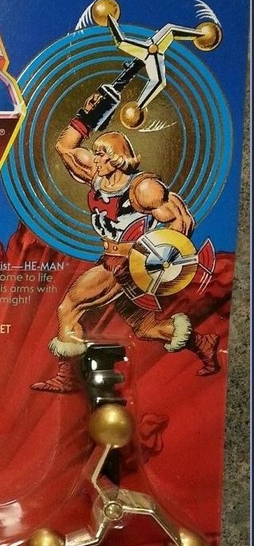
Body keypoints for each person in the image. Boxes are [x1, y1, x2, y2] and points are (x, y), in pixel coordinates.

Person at [31, 94, 220, 393]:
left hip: (126, 264)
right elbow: (64, 147)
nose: (96, 159)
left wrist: (150, 262)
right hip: (111, 259)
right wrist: (87, 114)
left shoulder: (142, 188)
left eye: (102, 154)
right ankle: (203, 343)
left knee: (69, 307)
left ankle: (67, 378)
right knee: (145, 327)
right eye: (96, 153)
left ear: (117, 158)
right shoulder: (97, 177)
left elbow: (181, 221)